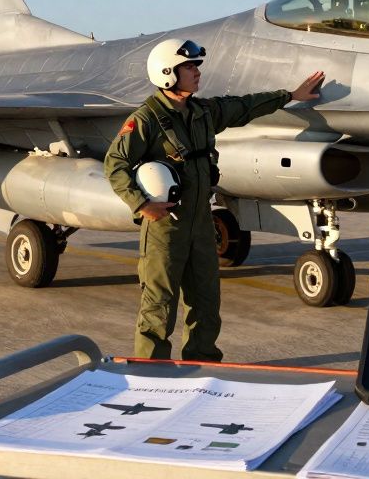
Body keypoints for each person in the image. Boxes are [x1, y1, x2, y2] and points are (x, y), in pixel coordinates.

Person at [104, 38, 325, 361]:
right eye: (189, 67)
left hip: (202, 225)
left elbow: (244, 106)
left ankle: (202, 363)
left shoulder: (203, 112)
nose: (196, 73)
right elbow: (115, 164)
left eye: (195, 66)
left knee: (207, 301)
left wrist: (289, 96)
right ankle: (150, 370)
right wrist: (141, 204)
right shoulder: (146, 120)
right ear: (168, 73)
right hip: (166, 228)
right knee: (158, 305)